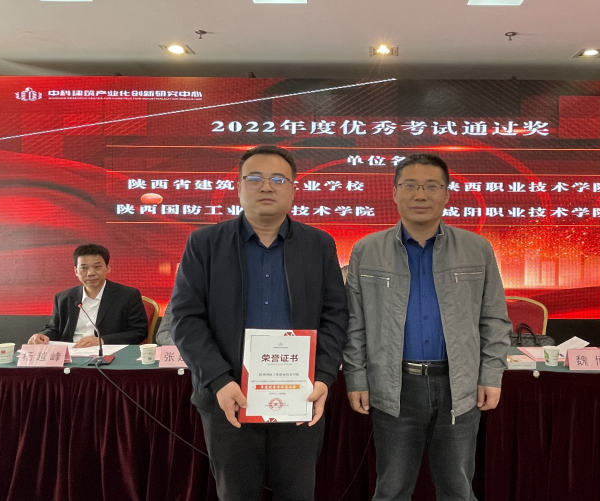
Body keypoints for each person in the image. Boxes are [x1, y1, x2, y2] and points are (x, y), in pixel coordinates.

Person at [170, 145, 348, 501]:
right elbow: (185, 318)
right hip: (229, 397)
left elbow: (335, 315)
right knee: (236, 494)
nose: (266, 186)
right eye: (255, 178)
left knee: (298, 494)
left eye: (278, 179)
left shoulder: (319, 244)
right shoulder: (204, 243)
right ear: (238, 187)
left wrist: (323, 376)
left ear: (293, 189)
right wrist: (219, 380)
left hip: (300, 395)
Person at [343, 153, 512, 501]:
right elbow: (355, 323)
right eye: (410, 185)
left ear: (447, 194)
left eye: (431, 186)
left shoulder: (477, 249)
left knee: (457, 490)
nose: (420, 195)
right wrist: (356, 377)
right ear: (394, 192)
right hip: (393, 386)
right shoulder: (366, 251)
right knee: (391, 490)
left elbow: (494, 318)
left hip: (459, 385)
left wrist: (491, 374)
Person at [28, 244, 148, 347]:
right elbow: (54, 328)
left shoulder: (127, 295)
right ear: (76, 271)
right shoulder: (63, 298)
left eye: (97, 267)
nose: (90, 273)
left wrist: (102, 341)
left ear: (108, 268)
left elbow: (139, 332)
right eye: (84, 268)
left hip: (108, 355)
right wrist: (42, 336)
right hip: (71, 354)